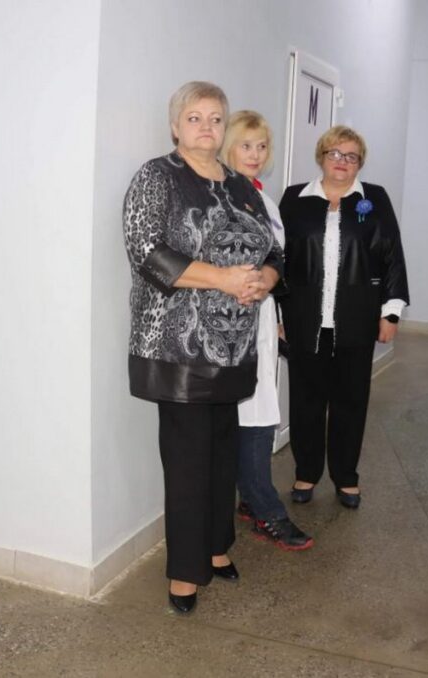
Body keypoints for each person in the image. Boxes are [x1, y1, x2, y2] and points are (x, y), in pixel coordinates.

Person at [122, 82, 283, 614]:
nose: (206, 127)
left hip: (233, 349)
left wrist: (264, 279)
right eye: (194, 118)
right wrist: (223, 279)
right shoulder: (157, 177)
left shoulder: (239, 185)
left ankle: (216, 547)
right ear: (176, 126)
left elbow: (274, 250)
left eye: (215, 118)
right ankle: (185, 573)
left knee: (221, 455)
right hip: (178, 349)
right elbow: (148, 251)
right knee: (188, 464)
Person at [279, 125, 409, 509]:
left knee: (351, 401)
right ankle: (306, 472)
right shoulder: (295, 199)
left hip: (357, 318)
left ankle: (346, 477)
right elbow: (277, 259)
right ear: (321, 156)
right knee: (306, 401)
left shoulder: (374, 198)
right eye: (335, 153)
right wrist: (277, 313)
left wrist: (391, 312)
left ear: (359, 163)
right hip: (305, 318)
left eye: (351, 156)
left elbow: (392, 255)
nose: (342, 162)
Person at [220, 110, 313, 550]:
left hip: (260, 317)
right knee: (254, 417)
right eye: (245, 145)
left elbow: (276, 259)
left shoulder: (264, 199)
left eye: (261, 147)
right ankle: (265, 509)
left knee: (259, 411)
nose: (255, 154)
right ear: (228, 147)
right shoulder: (221, 198)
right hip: (231, 321)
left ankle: (250, 498)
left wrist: (274, 321)